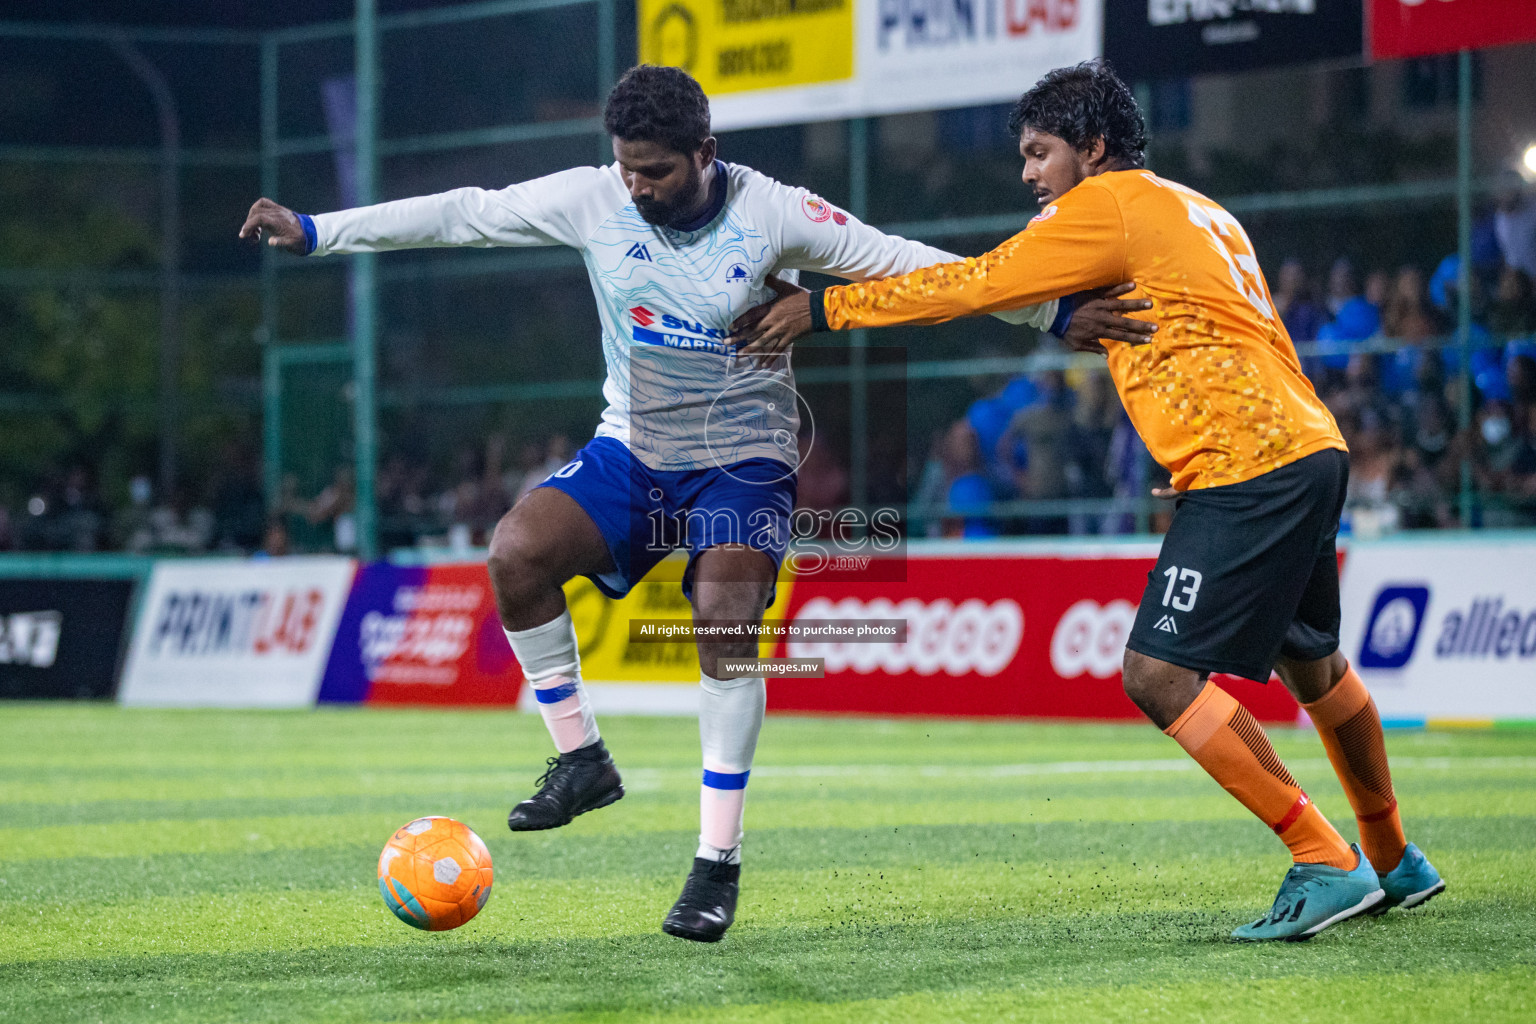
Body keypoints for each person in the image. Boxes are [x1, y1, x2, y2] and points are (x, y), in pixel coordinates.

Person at [239, 64, 1150, 943]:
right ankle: (582, 759)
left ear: (706, 151)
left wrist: (1051, 315)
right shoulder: (596, 197)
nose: (636, 187)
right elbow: (464, 214)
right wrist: (319, 230)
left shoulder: (776, 212)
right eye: (627, 167)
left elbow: (905, 262)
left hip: (743, 460)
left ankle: (717, 861)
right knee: (516, 554)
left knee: (721, 615)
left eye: (658, 171)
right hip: (632, 450)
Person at [734, 60, 1445, 941]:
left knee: (1156, 674)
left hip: (1247, 462)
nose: (1029, 174)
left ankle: (1323, 857)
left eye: (1040, 154)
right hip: (1305, 447)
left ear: (1093, 148)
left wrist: (826, 308)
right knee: (1317, 668)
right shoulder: (1198, 208)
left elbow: (975, 284)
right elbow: (1239, 334)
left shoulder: (1102, 207)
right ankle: (1395, 858)